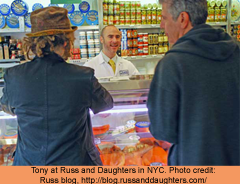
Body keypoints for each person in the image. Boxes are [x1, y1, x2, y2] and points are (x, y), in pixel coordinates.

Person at [0, 7, 113, 166]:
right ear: (66, 42)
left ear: (33, 43)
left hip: (28, 165)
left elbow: (6, 108)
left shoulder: (14, 76)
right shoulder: (82, 76)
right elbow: (106, 104)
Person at [147, 0, 240, 165]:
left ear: (183, 19)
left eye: (164, 18)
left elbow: (163, 131)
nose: (162, 25)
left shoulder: (172, 63)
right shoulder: (236, 51)